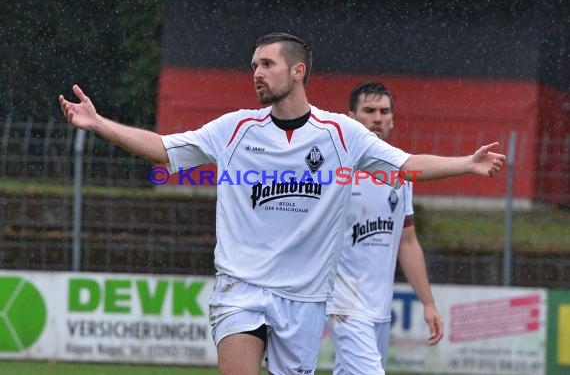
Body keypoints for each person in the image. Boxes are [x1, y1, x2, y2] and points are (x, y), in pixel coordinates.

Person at [59, 32, 505, 375]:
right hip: (242, 287)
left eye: (267, 64)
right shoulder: (233, 129)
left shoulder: (341, 134)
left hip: (306, 299)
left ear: (297, 71)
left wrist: (466, 163)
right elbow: (162, 148)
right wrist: (98, 124)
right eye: (253, 64)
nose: (256, 72)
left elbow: (406, 164)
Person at [326, 82, 444, 375]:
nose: (377, 117)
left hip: (378, 309)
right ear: (350, 117)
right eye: (369, 110)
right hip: (343, 306)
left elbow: (407, 241)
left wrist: (428, 303)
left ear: (392, 119)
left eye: (384, 111)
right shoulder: (332, 170)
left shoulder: (400, 176)